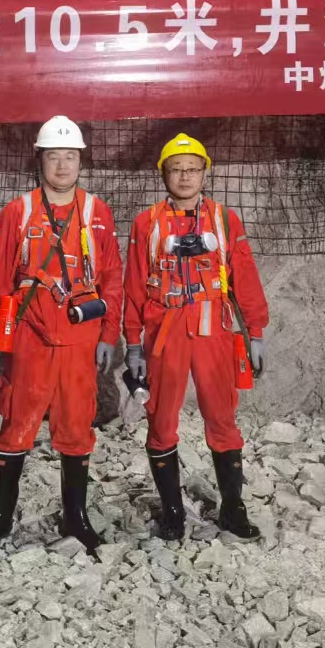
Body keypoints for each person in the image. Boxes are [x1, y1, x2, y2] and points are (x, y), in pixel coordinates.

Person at [0, 116, 124, 555]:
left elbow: (112, 279)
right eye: (53, 157)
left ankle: (76, 517)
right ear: (39, 160)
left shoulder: (97, 212)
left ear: (81, 161)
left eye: (70, 157)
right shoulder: (17, 212)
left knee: (76, 425)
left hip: (79, 337)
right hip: (30, 337)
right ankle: (0, 518)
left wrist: (109, 334)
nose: (62, 166)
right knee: (16, 423)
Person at [122, 133, 270, 541]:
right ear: (163, 174)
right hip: (164, 332)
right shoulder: (147, 223)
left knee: (222, 418)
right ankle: (173, 513)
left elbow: (245, 278)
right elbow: (134, 286)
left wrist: (256, 331)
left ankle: (233, 509)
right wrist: (132, 343)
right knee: (161, 421)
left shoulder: (224, 220)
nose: (185, 177)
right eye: (176, 169)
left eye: (192, 169)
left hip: (212, 331)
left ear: (205, 173)